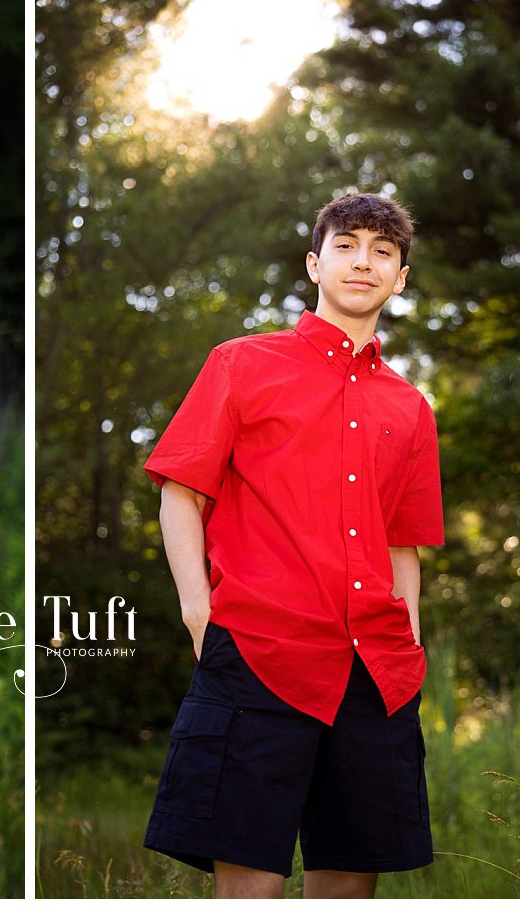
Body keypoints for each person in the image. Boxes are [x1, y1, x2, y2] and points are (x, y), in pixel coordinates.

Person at [140, 193, 444, 898]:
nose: (362, 260)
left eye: (382, 251)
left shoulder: (410, 407)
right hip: (257, 652)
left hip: (375, 671)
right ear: (315, 263)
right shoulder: (241, 363)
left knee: (347, 885)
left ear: (400, 277)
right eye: (346, 245)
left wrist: (412, 643)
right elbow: (180, 490)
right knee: (251, 883)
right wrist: (196, 608)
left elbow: (405, 544)